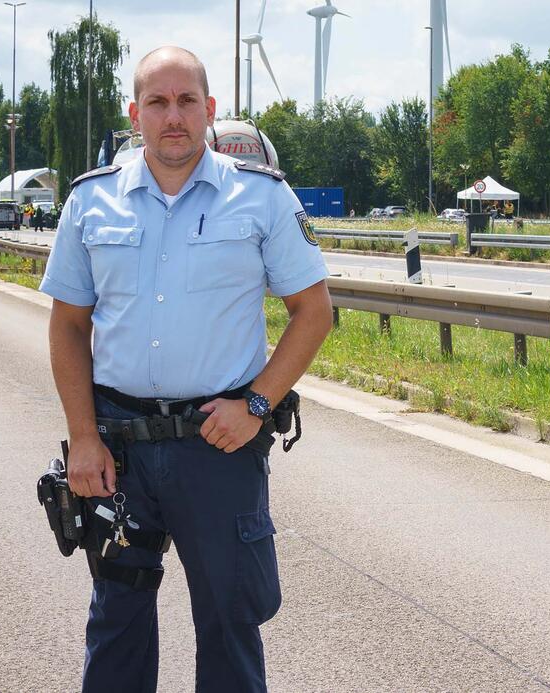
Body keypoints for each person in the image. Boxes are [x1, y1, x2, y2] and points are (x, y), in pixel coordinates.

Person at [40, 46, 332, 692]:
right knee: (116, 624)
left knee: (230, 624)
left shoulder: (260, 199)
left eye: (186, 101)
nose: (173, 116)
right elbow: (66, 325)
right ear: (133, 114)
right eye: (157, 102)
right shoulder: (92, 203)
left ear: (210, 110)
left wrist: (256, 405)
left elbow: (313, 312)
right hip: (119, 449)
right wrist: (83, 435)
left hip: (218, 445)